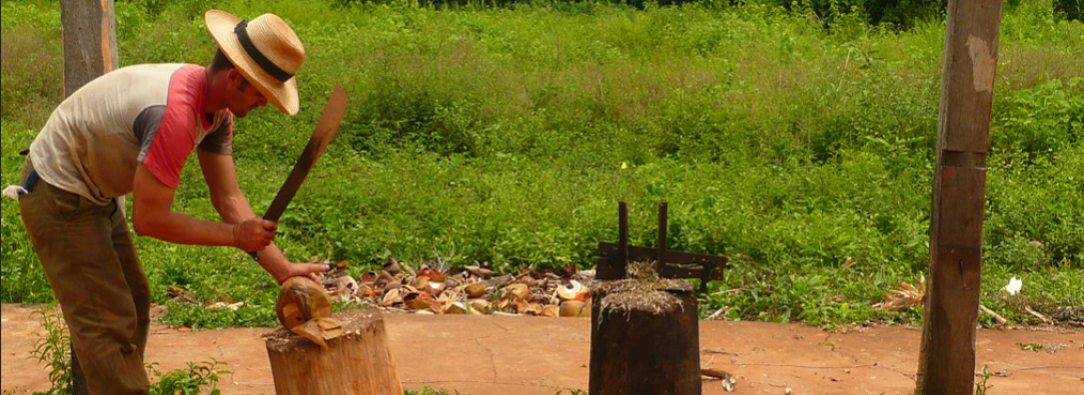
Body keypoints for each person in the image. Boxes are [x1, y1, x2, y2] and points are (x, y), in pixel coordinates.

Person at [16, 10, 329, 394]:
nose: (265, 104)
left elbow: (228, 197)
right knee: (107, 321)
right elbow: (150, 220)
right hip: (58, 191)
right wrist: (234, 235)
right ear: (234, 78)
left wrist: (282, 269)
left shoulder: (215, 111)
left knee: (132, 300)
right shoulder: (175, 115)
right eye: (263, 93)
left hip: (95, 189)